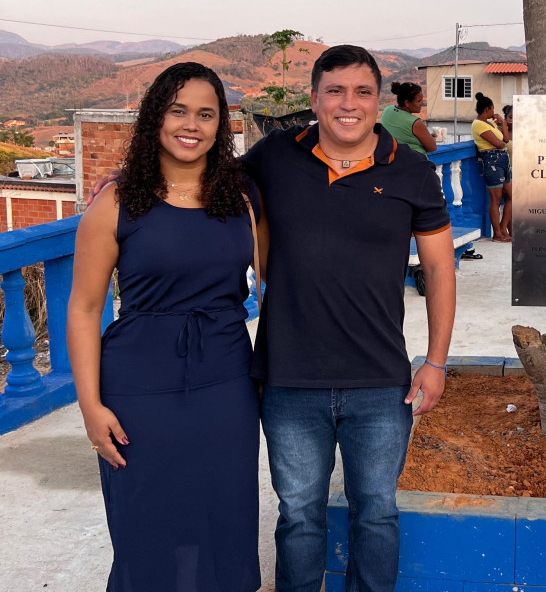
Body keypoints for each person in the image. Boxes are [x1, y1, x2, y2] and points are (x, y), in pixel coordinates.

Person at [243, 44, 456, 592]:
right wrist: (129, 175)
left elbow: (439, 271)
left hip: (381, 382)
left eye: (362, 92)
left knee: (377, 513)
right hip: (290, 380)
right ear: (314, 98)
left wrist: (435, 362)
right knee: (298, 517)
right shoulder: (274, 156)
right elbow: (195, 176)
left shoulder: (411, 171)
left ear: (378, 100)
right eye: (334, 91)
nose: (348, 104)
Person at [67, 62, 261, 591]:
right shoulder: (117, 201)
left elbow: (282, 280)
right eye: (178, 110)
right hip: (138, 387)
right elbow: (84, 309)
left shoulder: (241, 199)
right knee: (146, 522)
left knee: (225, 515)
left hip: (226, 383)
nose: (191, 125)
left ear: (222, 125)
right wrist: (90, 407)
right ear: (156, 116)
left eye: (206, 114)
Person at [472, 92, 512, 241]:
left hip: (503, 159)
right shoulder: (478, 125)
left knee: (513, 196)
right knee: (495, 199)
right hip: (492, 161)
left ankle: (502, 227)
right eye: (492, 108)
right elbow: (499, 143)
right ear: (487, 109)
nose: (493, 112)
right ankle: (497, 233)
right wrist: (502, 141)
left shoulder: (491, 123)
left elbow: (505, 139)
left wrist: (502, 122)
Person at [379, 81, 438, 155]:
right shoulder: (415, 122)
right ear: (407, 103)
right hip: (414, 162)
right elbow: (432, 148)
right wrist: (429, 140)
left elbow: (401, 135)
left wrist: (426, 137)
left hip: (391, 158)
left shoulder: (387, 110)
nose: (422, 103)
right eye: (418, 101)